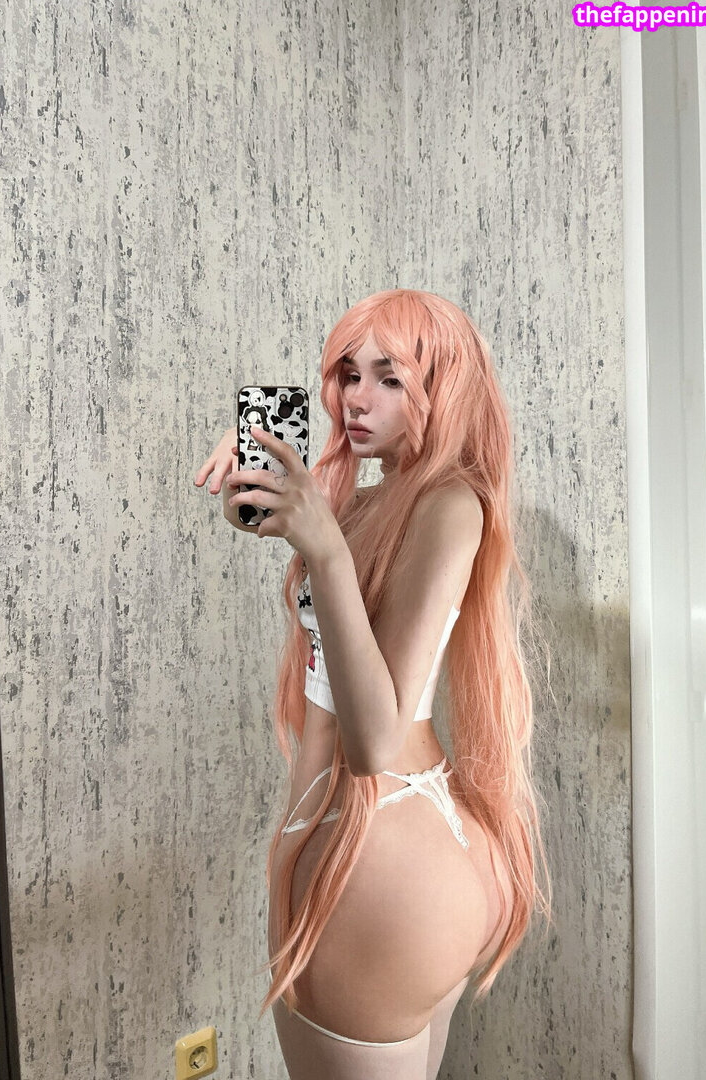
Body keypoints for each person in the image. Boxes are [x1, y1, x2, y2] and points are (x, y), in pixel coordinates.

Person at [194, 288, 553, 1079]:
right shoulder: (371, 502)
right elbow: (306, 527)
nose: (358, 398)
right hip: (425, 854)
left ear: (442, 385)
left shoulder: (449, 504)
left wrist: (322, 549)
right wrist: (261, 463)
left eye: (391, 378)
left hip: (376, 853)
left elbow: (374, 744)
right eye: (350, 374)